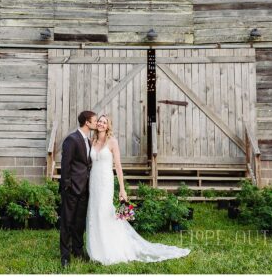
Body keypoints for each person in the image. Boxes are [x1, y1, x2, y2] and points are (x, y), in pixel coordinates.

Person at [85, 115, 191, 266]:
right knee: (94, 212)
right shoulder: (92, 141)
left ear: (108, 126)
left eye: (104, 122)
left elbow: (118, 167)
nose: (101, 124)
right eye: (100, 121)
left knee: (105, 212)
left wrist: (122, 189)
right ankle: (96, 250)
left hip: (105, 182)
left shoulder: (112, 142)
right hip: (93, 181)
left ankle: (110, 249)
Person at [59, 110, 98, 268]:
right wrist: (67, 187)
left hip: (85, 189)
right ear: (87, 122)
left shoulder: (89, 141)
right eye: (94, 121)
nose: (96, 123)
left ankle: (77, 250)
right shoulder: (72, 139)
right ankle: (65, 256)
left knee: (79, 222)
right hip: (72, 189)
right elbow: (65, 165)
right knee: (67, 222)